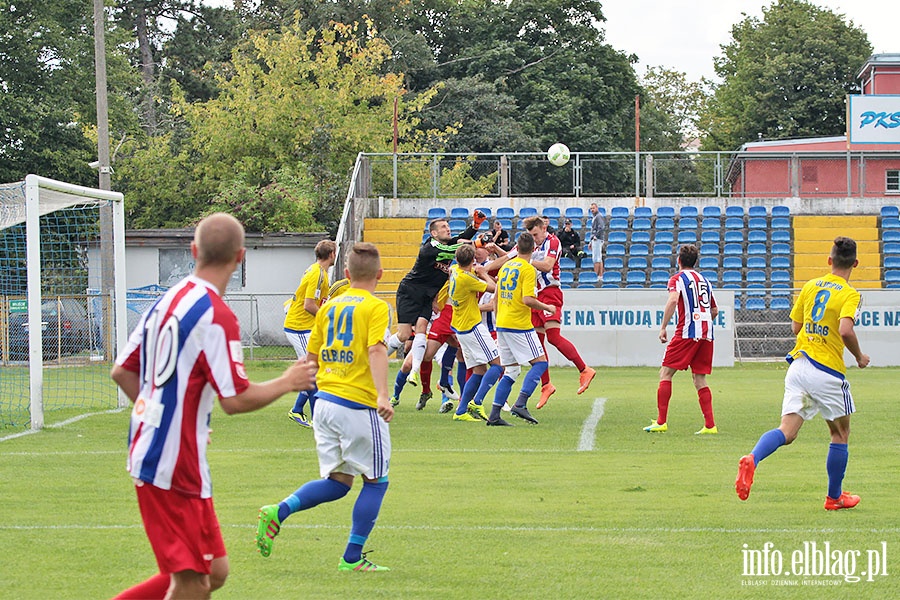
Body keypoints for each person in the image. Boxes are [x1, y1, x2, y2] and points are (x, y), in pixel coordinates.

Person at [110, 213, 316, 600]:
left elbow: (122, 371)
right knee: (191, 583)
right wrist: (288, 382)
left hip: (161, 449)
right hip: (172, 462)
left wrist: (154, 412)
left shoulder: (167, 299)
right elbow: (235, 400)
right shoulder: (216, 315)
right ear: (240, 257)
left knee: (215, 572)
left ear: (193, 251)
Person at [256, 242, 396, 571]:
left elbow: (311, 358)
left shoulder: (329, 307)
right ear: (380, 274)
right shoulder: (376, 307)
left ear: (346, 274)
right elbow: (377, 351)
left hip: (325, 404)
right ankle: (351, 558)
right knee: (377, 481)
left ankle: (280, 510)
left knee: (339, 483)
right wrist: (382, 395)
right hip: (358, 405)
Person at [736, 237, 869, 510]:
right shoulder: (850, 294)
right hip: (827, 371)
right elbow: (845, 330)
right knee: (840, 434)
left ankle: (753, 458)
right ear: (855, 263)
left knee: (787, 431)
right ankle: (834, 497)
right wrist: (859, 356)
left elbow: (796, 327)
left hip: (799, 366)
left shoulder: (810, 286)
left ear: (829, 260)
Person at [386, 213, 481, 384]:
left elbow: (460, 239)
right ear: (434, 233)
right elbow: (452, 248)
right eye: (444, 227)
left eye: (448, 226)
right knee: (403, 335)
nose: (448, 229)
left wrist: (475, 226)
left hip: (427, 297)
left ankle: (414, 372)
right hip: (409, 291)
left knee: (421, 328)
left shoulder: (446, 244)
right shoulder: (430, 246)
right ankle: (374, 358)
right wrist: (476, 244)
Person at [644, 244, 718, 434]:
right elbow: (714, 310)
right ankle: (710, 425)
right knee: (699, 378)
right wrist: (703, 323)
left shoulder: (677, 279)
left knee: (665, 373)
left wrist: (663, 327)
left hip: (687, 333)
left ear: (679, 260)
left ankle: (661, 422)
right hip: (706, 334)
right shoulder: (705, 281)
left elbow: (673, 300)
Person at [524, 216, 596, 407]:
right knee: (536, 345)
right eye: (531, 236)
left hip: (550, 292)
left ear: (543, 228)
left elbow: (547, 266)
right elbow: (510, 256)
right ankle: (546, 385)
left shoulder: (552, 241)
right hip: (535, 295)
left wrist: (525, 259)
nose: (534, 239)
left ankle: (584, 369)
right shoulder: (533, 246)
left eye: (536, 234)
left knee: (553, 337)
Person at [489, 232, 557, 426]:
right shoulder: (528, 269)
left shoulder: (506, 266)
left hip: (502, 322)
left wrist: (498, 319)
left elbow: (495, 298)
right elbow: (527, 300)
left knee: (511, 370)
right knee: (541, 363)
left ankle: (494, 415)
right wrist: (547, 308)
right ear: (534, 250)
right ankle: (521, 403)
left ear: (516, 248)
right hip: (518, 325)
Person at [448, 244, 504, 422]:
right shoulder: (466, 279)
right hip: (472, 326)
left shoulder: (455, 271)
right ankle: (477, 401)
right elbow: (494, 288)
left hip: (460, 327)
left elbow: (454, 267)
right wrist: (483, 273)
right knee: (498, 365)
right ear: (472, 260)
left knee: (479, 369)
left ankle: (461, 411)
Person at [284, 239, 336, 428]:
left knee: (315, 369)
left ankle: (297, 410)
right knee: (314, 371)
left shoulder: (317, 271)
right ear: (331, 254)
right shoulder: (317, 274)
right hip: (299, 327)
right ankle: (317, 419)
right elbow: (308, 305)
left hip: (305, 327)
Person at [589, 203, 605, 277]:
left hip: (597, 239)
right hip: (595, 239)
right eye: (591, 208)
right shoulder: (595, 217)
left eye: (593, 208)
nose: (592, 210)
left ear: (597, 208)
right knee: (599, 258)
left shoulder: (598, 216)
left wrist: (596, 236)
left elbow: (601, 227)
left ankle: (597, 275)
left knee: (596, 258)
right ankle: (600, 275)